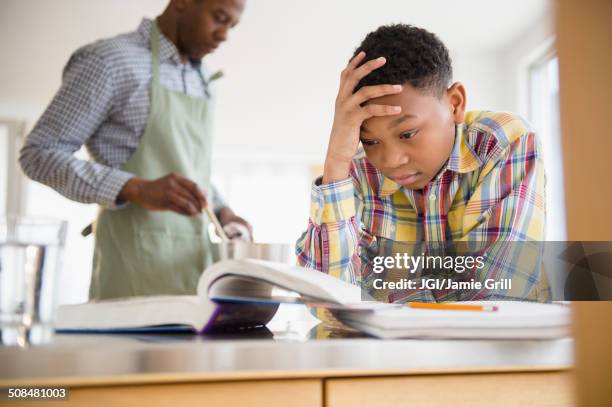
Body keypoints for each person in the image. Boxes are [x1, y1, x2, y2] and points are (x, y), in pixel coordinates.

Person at [296, 24, 549, 303]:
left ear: (455, 103)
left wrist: (373, 297)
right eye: (370, 142)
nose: (390, 161)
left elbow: (495, 293)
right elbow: (324, 299)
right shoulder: (354, 173)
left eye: (407, 134)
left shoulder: (502, 141)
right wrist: (336, 159)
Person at [19, 0, 251, 300]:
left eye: (232, 26)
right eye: (219, 18)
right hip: (130, 276)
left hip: (194, 278)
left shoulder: (203, 79)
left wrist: (223, 211)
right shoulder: (109, 61)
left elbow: (190, 167)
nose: (224, 36)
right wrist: (134, 188)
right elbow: (38, 154)